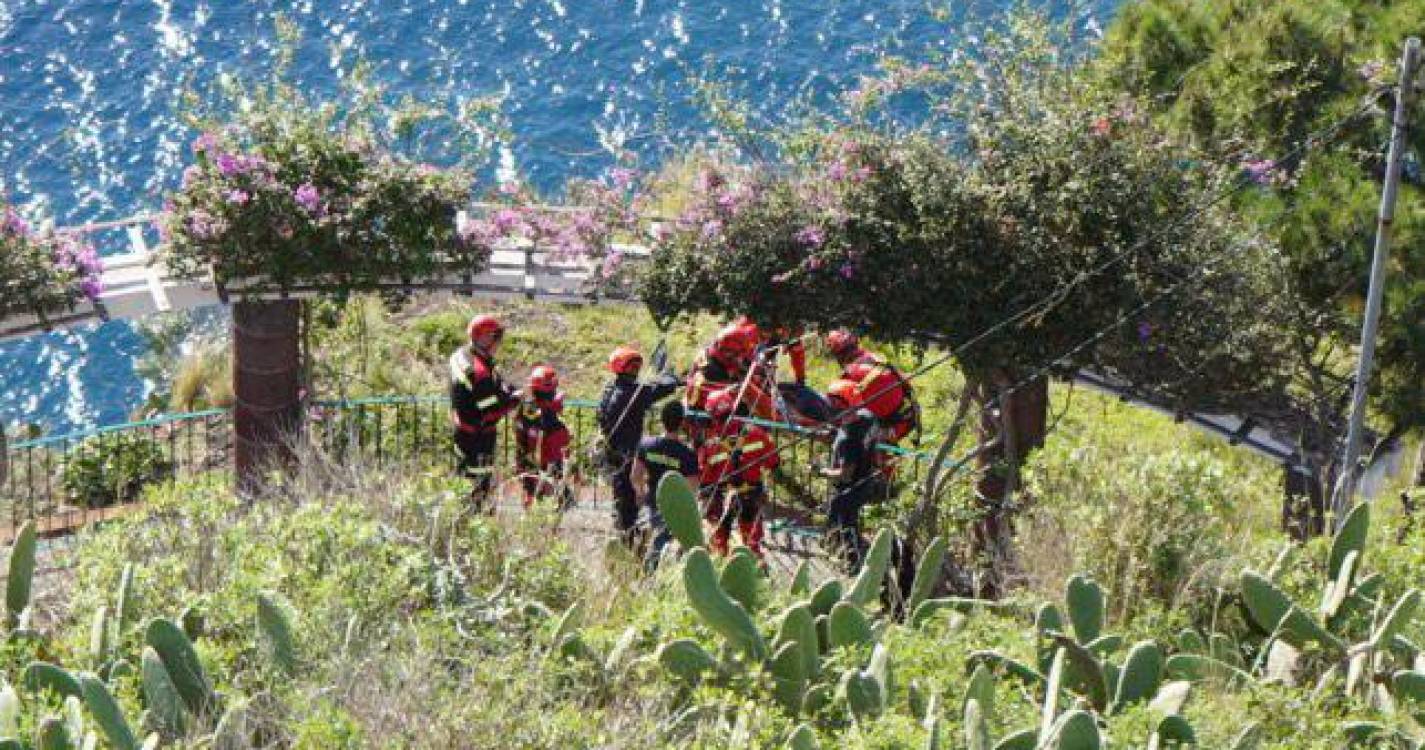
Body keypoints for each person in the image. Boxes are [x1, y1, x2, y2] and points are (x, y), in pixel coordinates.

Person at [597, 345, 681, 543]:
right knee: (628, 501)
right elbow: (661, 388)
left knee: (623, 498)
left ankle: (628, 535)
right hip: (626, 455)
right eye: (632, 366)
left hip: (614, 452)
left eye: (637, 366)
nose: (636, 370)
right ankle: (629, 541)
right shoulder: (633, 393)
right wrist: (672, 379)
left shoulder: (611, 389)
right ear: (621, 367)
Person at [697, 387, 780, 560]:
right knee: (752, 544)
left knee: (719, 544)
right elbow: (773, 462)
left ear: (711, 415)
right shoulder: (757, 433)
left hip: (722, 498)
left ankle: (720, 566)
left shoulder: (711, 445)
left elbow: (705, 479)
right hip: (751, 493)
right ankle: (755, 567)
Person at [449, 314, 520, 512]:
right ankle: (475, 517)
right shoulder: (478, 371)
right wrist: (515, 400)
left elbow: (494, 382)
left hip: (462, 430)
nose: (499, 342)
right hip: (478, 438)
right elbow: (491, 411)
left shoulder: (462, 355)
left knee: (462, 480)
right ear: (483, 338)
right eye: (495, 337)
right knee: (478, 483)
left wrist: (509, 390)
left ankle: (462, 516)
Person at [817, 379, 883, 572]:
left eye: (834, 402)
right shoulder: (868, 417)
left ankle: (852, 563)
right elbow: (874, 440)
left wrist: (821, 471)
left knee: (845, 525)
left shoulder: (848, 440)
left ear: (844, 405)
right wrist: (835, 432)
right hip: (866, 479)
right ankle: (833, 546)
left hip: (849, 488)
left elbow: (845, 474)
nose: (829, 405)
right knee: (846, 520)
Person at [630, 400, 701, 571]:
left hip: (649, 505)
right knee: (663, 556)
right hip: (673, 513)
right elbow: (692, 490)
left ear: (661, 420)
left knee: (644, 551)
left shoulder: (646, 445)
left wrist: (640, 494)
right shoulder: (687, 455)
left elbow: (635, 476)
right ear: (682, 423)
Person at [824, 330, 920, 445]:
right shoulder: (874, 359)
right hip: (908, 416)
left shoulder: (851, 374)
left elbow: (837, 406)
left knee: (850, 439)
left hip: (894, 424)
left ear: (839, 355)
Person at [513, 365, 573, 511]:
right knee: (533, 484)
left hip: (541, 453)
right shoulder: (533, 407)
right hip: (535, 452)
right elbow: (534, 426)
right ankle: (536, 511)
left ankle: (546, 506)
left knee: (538, 483)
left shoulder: (537, 406)